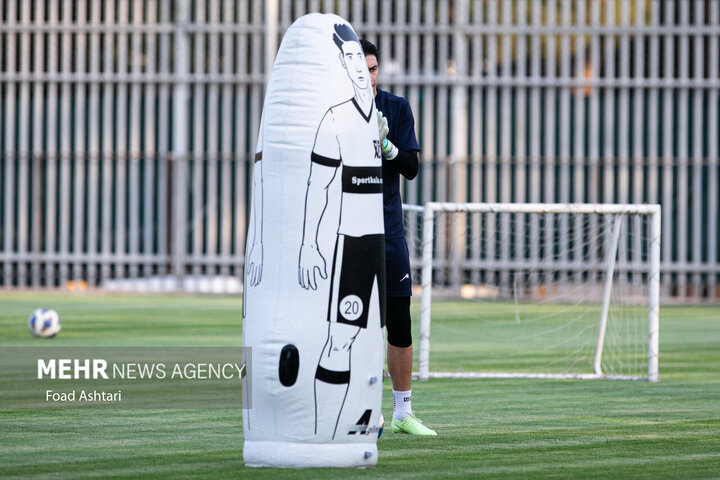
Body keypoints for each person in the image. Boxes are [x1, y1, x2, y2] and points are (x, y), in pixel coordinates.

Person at [299, 24, 385, 439]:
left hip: (381, 245)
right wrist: (307, 245)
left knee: (376, 338)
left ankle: (365, 419)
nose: (359, 70)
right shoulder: (334, 118)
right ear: (341, 67)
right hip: (350, 243)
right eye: (350, 60)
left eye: (365, 63)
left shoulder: (378, 121)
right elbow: (317, 185)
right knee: (340, 338)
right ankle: (322, 432)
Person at [361, 38, 437, 436]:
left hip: (389, 229)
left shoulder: (396, 107)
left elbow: (411, 168)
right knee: (356, 323)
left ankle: (403, 413)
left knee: (399, 322)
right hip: (348, 230)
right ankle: (362, 410)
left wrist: (387, 145)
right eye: (362, 68)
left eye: (373, 68)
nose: (369, 76)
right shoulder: (335, 109)